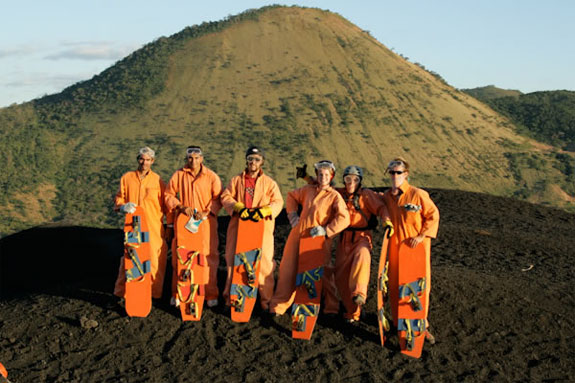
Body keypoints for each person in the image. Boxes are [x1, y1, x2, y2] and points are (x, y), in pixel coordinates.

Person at [269, 160, 350, 316]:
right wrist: (292, 216)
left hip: (319, 240)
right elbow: (291, 196)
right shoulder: (308, 190)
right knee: (288, 269)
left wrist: (326, 230)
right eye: (320, 174)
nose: (323, 177)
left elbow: (344, 218)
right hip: (298, 235)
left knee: (323, 273)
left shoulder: (334, 196)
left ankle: (331, 307)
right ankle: (278, 306)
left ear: (331, 176)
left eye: (326, 174)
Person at [380, 157, 439, 342]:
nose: (395, 175)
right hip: (395, 249)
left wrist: (421, 236)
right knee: (396, 286)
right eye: (392, 172)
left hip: (416, 249)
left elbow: (433, 215)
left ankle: (422, 325)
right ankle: (399, 324)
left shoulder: (418, 194)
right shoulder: (387, 197)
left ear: (406, 174)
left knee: (418, 288)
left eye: (398, 172)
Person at [220, 146, 283, 310]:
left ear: (262, 162)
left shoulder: (270, 183)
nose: (253, 162)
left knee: (264, 262)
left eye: (256, 159)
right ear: (246, 161)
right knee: (234, 261)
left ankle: (265, 300)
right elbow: (225, 196)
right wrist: (237, 207)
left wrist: (265, 211)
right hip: (239, 226)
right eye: (250, 159)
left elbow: (278, 202)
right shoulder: (236, 181)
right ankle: (231, 298)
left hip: (262, 228)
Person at [165, 146, 222, 307]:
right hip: (184, 222)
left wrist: (207, 212)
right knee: (181, 256)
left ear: (202, 159)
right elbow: (169, 195)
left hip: (206, 223)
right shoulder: (178, 175)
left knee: (208, 257)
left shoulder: (211, 176)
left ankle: (210, 293)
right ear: (187, 159)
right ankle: (178, 293)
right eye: (190, 158)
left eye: (197, 158)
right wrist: (181, 207)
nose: (194, 161)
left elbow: (219, 198)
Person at [334, 165, 394, 323]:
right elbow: (324, 186)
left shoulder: (366, 195)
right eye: (348, 179)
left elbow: (381, 207)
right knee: (341, 277)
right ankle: (353, 313)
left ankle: (360, 293)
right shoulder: (339, 194)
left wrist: (387, 221)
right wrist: (307, 178)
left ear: (360, 181)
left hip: (362, 236)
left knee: (363, 256)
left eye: (355, 179)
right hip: (343, 238)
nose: (351, 182)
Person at [113, 146, 169, 301]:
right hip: (133, 226)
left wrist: (170, 225)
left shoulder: (158, 181)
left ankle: (153, 294)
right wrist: (122, 206)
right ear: (138, 159)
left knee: (155, 259)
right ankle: (121, 293)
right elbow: (119, 197)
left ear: (153, 161)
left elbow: (167, 205)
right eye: (142, 159)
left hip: (153, 227)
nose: (144, 163)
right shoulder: (127, 178)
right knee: (129, 258)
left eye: (148, 160)